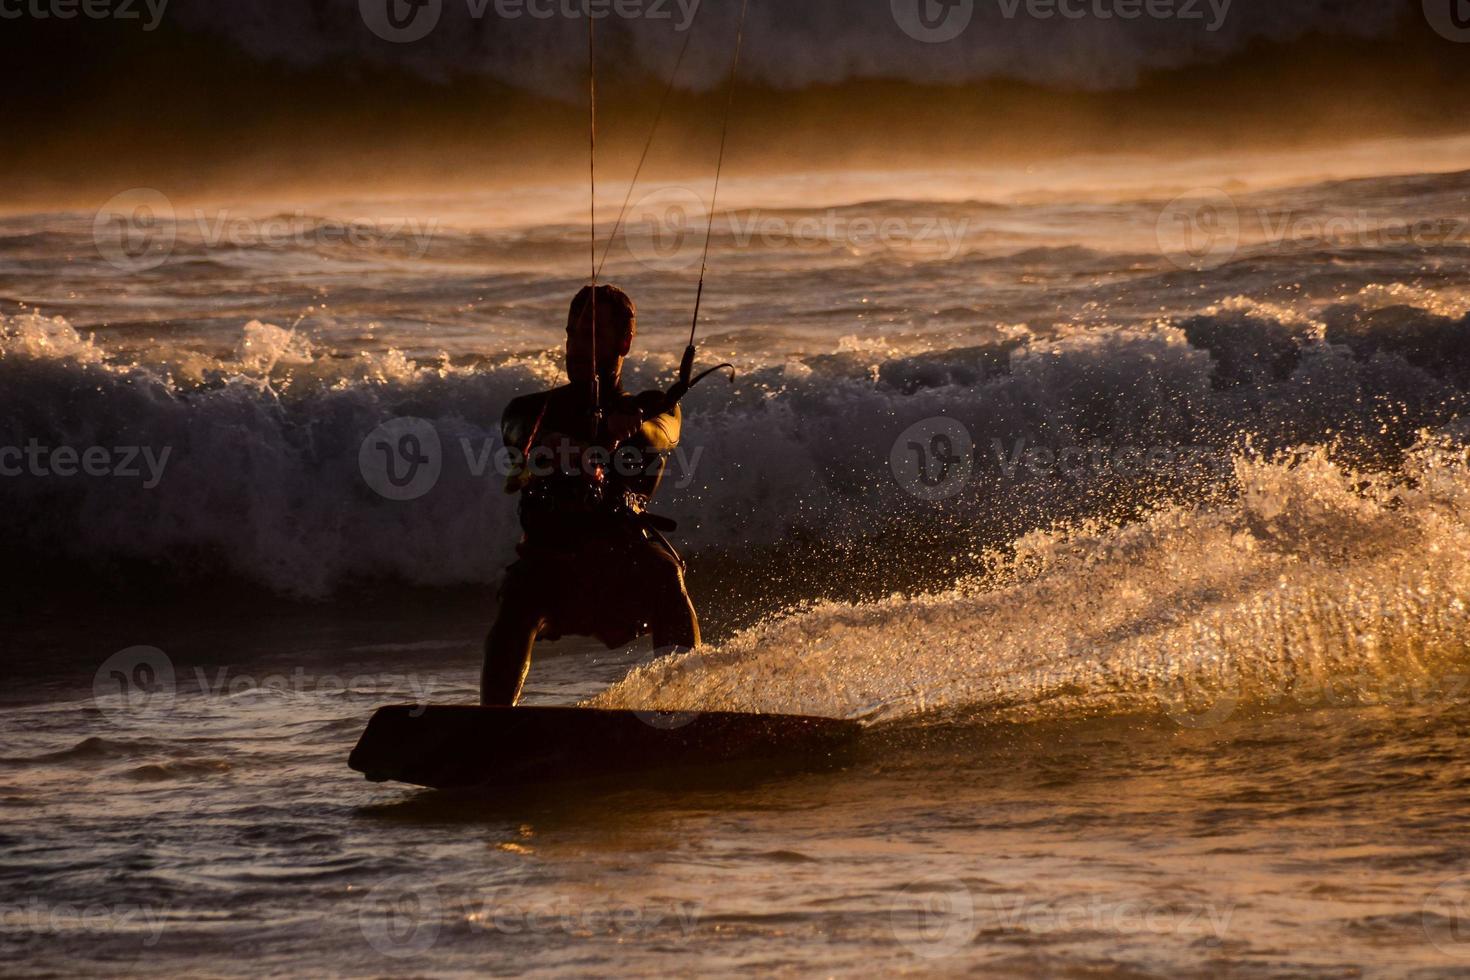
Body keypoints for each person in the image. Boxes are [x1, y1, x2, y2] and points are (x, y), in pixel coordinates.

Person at [482, 284, 700, 705]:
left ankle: (684, 711)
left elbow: (663, 432)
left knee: (665, 577)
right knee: (519, 594)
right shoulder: (532, 408)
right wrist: (552, 443)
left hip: (623, 564)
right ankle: (493, 724)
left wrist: (633, 426)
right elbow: (517, 430)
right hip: (553, 566)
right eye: (572, 334)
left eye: (592, 335)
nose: (577, 346)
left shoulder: (654, 407)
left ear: (625, 342)